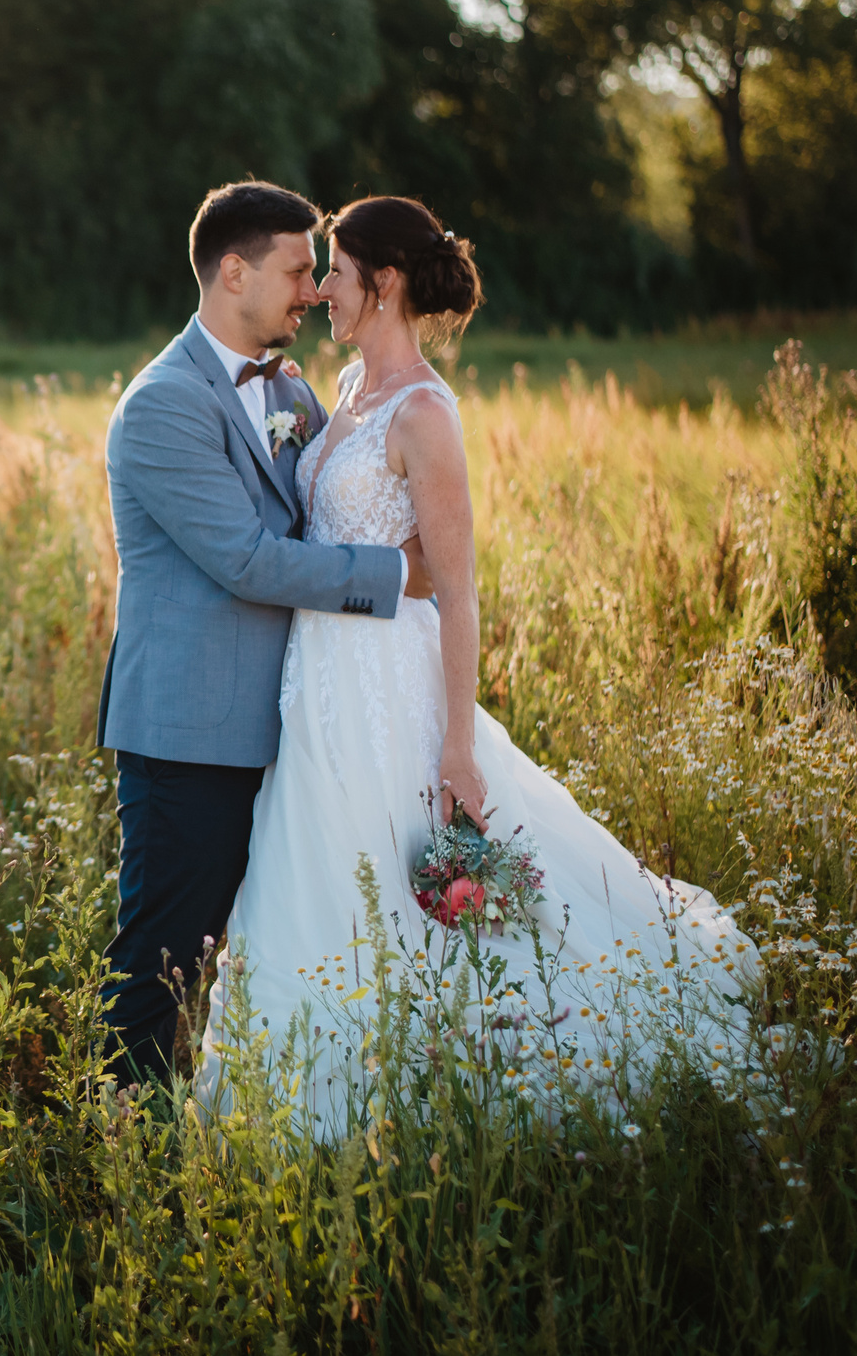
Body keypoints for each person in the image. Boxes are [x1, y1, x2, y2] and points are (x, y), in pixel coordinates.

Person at [193, 195, 759, 1132]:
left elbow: (457, 590)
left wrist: (458, 748)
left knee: (401, 885)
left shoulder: (423, 414)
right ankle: (302, 1102)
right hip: (318, 691)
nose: (321, 288)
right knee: (314, 880)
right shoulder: (339, 395)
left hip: (388, 690)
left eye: (332, 269)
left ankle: (441, 1093)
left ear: (385, 281)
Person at [95, 181, 425, 1090]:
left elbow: (325, 502)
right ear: (231, 272)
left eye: (321, 273)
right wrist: (398, 572)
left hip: (290, 722)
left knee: (263, 950)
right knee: (163, 958)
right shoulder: (162, 404)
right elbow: (246, 559)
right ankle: (124, 1162)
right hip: (190, 732)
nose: (314, 290)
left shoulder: (287, 387)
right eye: (296, 269)